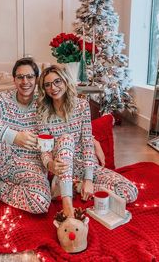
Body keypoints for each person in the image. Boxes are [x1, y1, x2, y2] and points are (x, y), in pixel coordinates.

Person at [37, 65, 138, 218]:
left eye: (57, 81)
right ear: (44, 89)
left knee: (130, 191)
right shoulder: (43, 112)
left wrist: (88, 180)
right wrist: (50, 164)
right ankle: (67, 203)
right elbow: (44, 149)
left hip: (86, 165)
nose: (53, 87)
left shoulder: (82, 106)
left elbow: (87, 143)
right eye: (48, 84)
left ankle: (76, 187)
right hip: (64, 167)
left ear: (65, 81)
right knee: (66, 138)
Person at [0, 57, 51, 225]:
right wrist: (13, 136)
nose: (25, 81)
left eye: (30, 77)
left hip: (31, 164)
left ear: (36, 79)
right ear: (14, 79)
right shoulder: (1, 99)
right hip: (3, 161)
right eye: (20, 77)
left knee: (40, 202)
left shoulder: (44, 104)